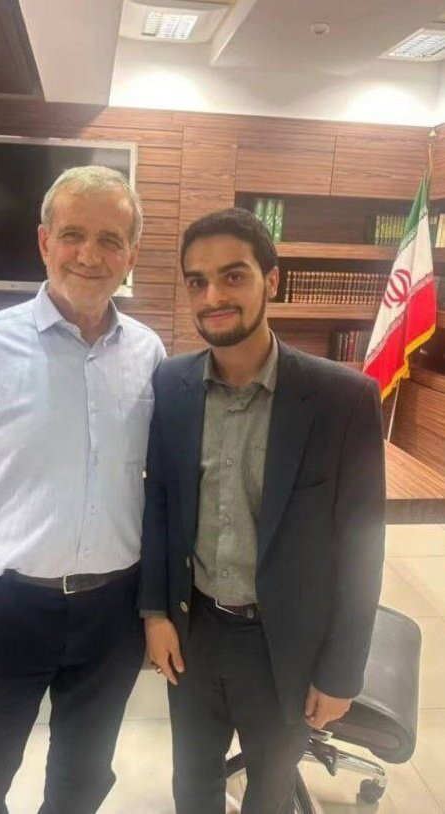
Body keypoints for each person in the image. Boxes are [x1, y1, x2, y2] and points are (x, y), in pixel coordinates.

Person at [0, 165, 166, 814]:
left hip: (113, 611)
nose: (90, 255)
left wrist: (158, 606)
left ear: (131, 256)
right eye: (73, 234)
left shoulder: (150, 354)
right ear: (44, 242)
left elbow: (160, 490)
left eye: (110, 239)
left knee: (83, 779)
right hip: (2, 609)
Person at [140, 208, 385, 814]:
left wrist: (341, 672)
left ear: (271, 280)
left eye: (233, 276)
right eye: (197, 281)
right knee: (191, 784)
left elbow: (362, 551)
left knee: (270, 793)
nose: (213, 296)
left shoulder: (342, 399)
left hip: (287, 646)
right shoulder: (171, 384)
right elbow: (160, 505)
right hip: (194, 634)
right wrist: (154, 611)